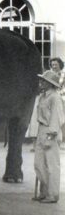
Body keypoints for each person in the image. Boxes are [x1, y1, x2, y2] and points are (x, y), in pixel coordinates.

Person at [33, 67, 63, 203]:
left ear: (50, 83)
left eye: (44, 80)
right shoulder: (43, 96)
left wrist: (51, 136)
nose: (41, 82)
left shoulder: (55, 98)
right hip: (41, 130)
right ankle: (44, 191)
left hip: (51, 131)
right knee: (39, 164)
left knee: (52, 165)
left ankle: (52, 194)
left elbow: (57, 118)